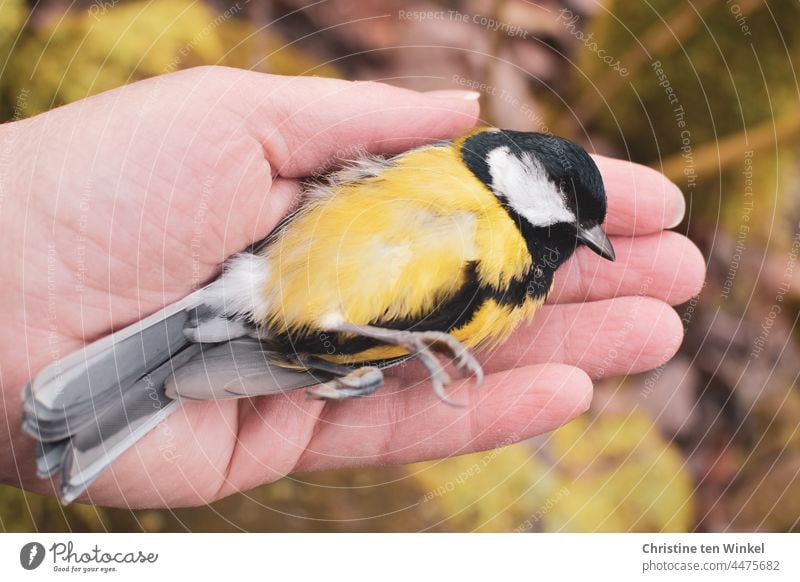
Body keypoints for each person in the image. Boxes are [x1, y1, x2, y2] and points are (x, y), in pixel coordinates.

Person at [0, 66, 704, 507]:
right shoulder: (456, 165)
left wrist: (376, 356)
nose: (578, 235)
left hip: (304, 339)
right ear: (522, 172)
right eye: (571, 213)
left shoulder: (524, 283)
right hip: (274, 278)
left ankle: (65, 423)